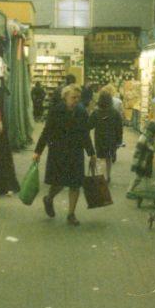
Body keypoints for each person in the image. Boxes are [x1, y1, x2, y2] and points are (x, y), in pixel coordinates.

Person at [33, 84, 96, 226]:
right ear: (65, 97)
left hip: (76, 152)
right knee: (59, 183)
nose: (76, 100)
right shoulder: (56, 111)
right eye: (73, 97)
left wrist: (91, 153)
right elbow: (46, 131)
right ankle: (49, 199)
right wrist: (38, 151)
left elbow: (85, 134)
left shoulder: (81, 112)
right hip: (59, 152)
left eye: (78, 98)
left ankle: (71, 214)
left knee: (75, 184)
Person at [88, 92, 123, 182]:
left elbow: (89, 125)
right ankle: (108, 176)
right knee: (108, 158)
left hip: (99, 137)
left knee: (101, 157)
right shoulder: (115, 113)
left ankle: (102, 175)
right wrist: (119, 140)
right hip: (111, 138)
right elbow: (119, 127)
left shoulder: (96, 113)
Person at [126, 120, 155, 199]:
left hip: (142, 160)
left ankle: (143, 190)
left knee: (143, 176)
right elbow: (151, 147)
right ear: (152, 131)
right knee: (138, 177)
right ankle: (129, 191)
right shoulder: (145, 138)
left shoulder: (146, 136)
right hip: (141, 161)